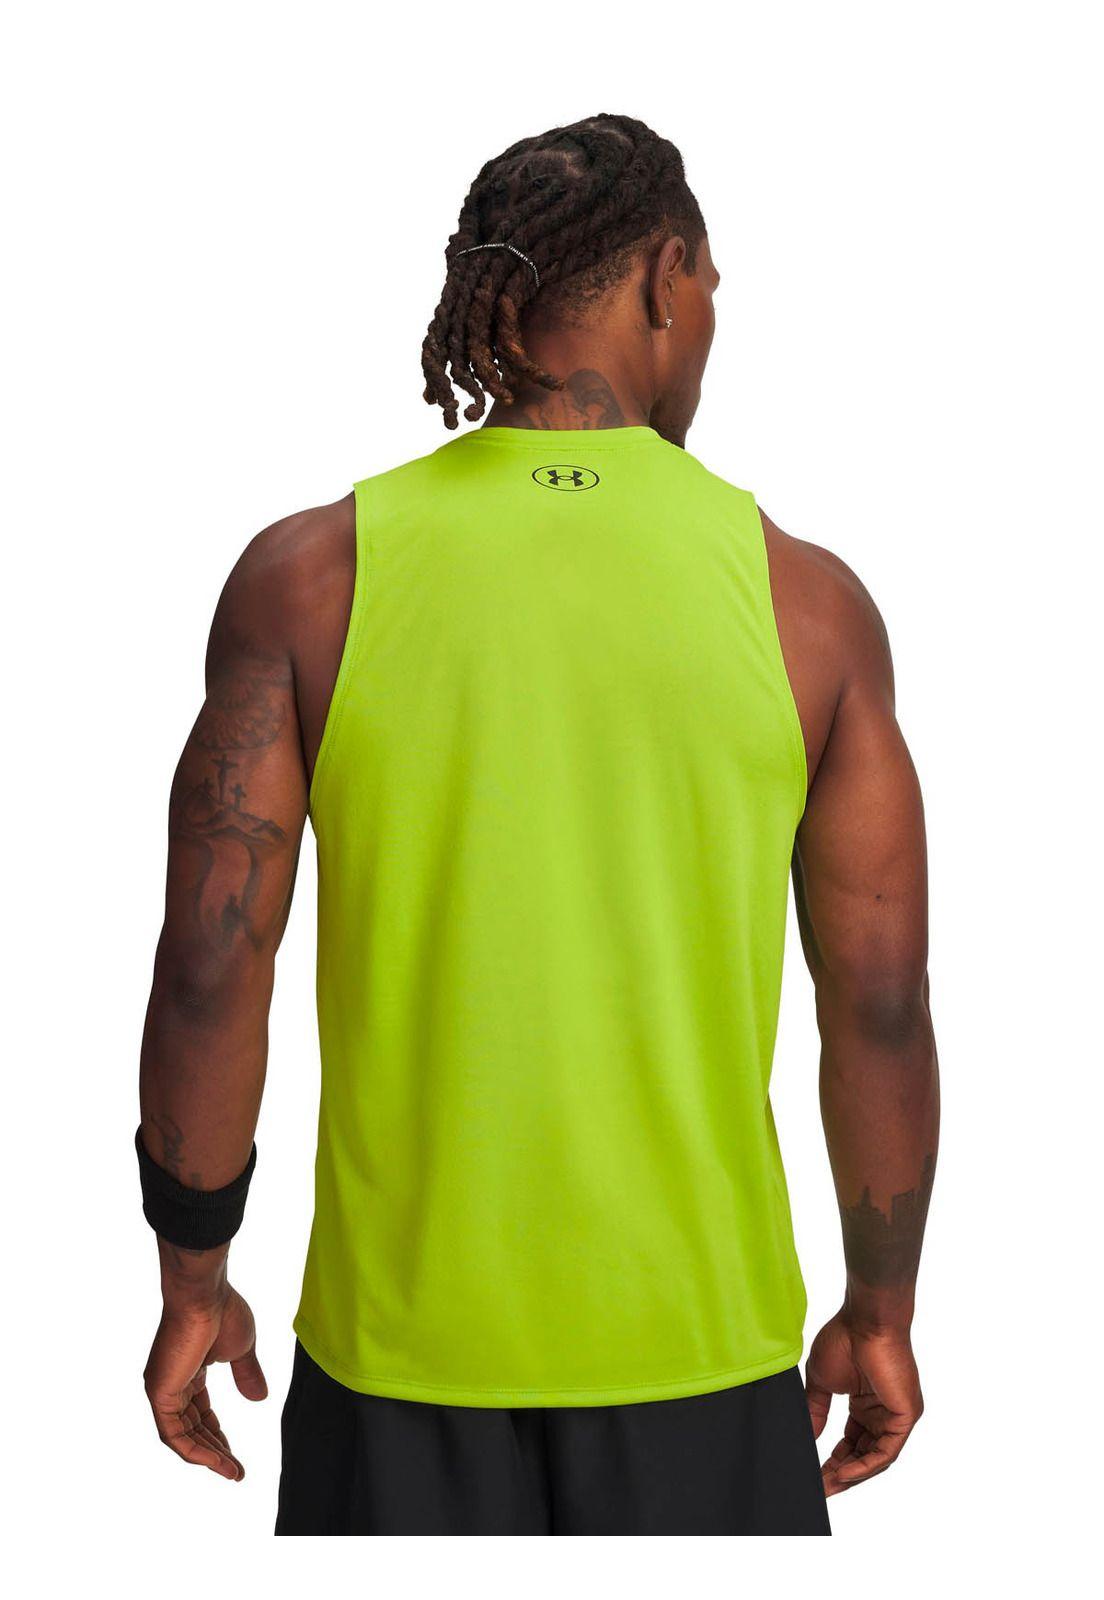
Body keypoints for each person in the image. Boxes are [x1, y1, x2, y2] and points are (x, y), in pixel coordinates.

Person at [137, 114, 938, 1536]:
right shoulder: (809, 605)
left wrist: (193, 1277)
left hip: (394, 1361)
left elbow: (210, 964)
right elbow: (877, 1003)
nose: (708, 326)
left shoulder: (311, 577)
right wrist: (880, 1313)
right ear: (665, 279)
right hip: (703, 1355)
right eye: (711, 291)